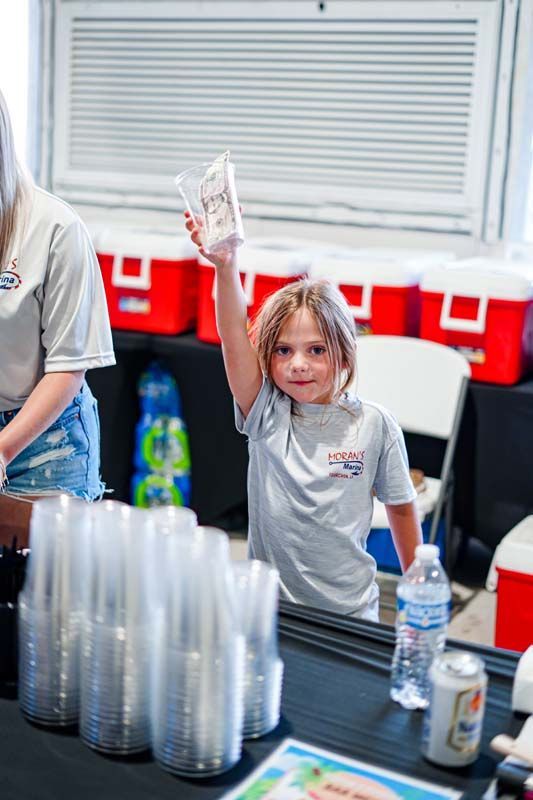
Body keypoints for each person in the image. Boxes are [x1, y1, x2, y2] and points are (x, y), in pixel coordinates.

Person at [185, 211, 422, 620]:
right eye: (282, 350)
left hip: (350, 612)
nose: (298, 364)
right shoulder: (265, 412)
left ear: (344, 352)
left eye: (316, 350)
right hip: (271, 611)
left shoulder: (375, 425)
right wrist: (226, 267)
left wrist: (417, 585)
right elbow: (232, 334)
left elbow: (400, 507)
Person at [0, 89, 115, 540]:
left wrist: (4, 449)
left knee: (46, 590)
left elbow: (68, 368)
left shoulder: (55, 229)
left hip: (47, 439)